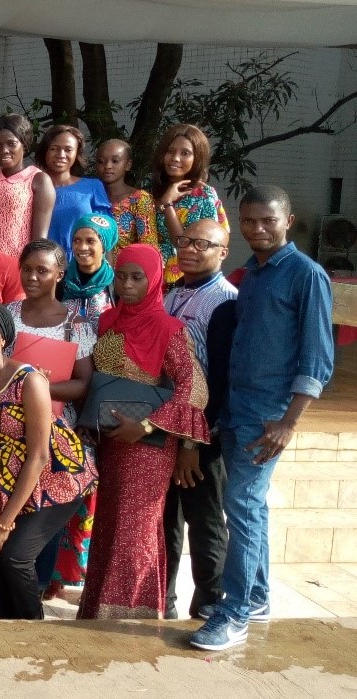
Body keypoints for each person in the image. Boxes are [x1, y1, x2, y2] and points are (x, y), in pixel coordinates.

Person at [191, 185, 333, 651]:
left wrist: (289, 422)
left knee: (244, 508)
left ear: (287, 221)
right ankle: (256, 597)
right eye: (249, 222)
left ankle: (233, 616)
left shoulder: (306, 275)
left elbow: (317, 359)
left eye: (267, 221)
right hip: (238, 413)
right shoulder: (250, 276)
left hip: (269, 419)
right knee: (252, 508)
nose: (258, 229)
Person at [78, 244, 209, 620]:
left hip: (148, 445)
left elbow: (193, 388)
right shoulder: (106, 322)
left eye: (138, 277)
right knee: (107, 525)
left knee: (135, 529)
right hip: (110, 440)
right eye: (121, 276)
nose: (128, 285)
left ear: (154, 280)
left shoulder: (169, 329)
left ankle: (131, 615)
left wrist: (148, 426)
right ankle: (96, 612)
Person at [0, 301, 96, 620]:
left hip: (54, 475)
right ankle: (8, 616)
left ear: (3, 339)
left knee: (14, 555)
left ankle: (31, 624)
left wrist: (3, 522)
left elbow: (40, 455)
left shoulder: (29, 381)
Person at [6, 239, 99, 594]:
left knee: (43, 510)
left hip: (56, 435)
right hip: (10, 431)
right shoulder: (9, 315)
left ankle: (38, 585)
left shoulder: (75, 324)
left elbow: (83, 384)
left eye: (42, 271)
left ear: (59, 274)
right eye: (27, 269)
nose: (32, 277)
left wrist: (38, 387)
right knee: (7, 497)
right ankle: (2, 579)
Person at [163, 219, 236, 621]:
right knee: (166, 523)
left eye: (203, 244)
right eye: (185, 241)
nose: (190, 249)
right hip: (166, 431)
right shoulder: (173, 295)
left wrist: (193, 444)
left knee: (205, 522)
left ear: (222, 252)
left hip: (202, 439)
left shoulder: (225, 302)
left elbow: (220, 382)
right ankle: (164, 599)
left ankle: (209, 605)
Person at [151, 124, 229, 285]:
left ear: (197, 158)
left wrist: (167, 205)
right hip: (148, 277)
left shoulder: (204, 195)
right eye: (170, 151)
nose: (175, 158)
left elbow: (184, 244)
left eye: (185, 153)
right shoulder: (148, 193)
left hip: (182, 280)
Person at [0, 113, 54, 255]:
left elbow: (39, 239)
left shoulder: (38, 180)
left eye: (11, 143)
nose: (4, 150)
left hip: (16, 263)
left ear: (24, 144)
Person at [38, 125, 110, 262]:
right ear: (45, 151)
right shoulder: (31, 187)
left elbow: (106, 234)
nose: (61, 155)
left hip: (83, 266)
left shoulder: (92, 187)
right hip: (45, 265)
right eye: (54, 149)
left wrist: (108, 273)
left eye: (68, 149)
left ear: (77, 154)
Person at [94, 139, 159, 258]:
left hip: (126, 272)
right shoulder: (89, 197)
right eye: (101, 161)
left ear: (128, 164)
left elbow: (148, 246)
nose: (108, 166)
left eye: (115, 161)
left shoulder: (140, 199)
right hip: (91, 273)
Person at [62, 213, 119, 326]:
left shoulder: (116, 283)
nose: (82, 247)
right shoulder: (60, 280)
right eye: (77, 240)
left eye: (90, 241)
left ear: (104, 246)